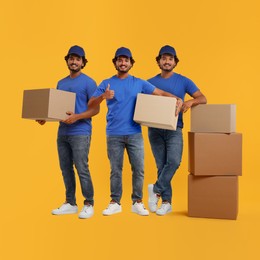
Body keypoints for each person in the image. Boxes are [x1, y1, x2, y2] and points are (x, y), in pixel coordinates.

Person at [88, 47, 183, 216]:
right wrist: (103, 97)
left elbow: (159, 93)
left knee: (138, 169)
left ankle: (137, 202)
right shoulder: (106, 83)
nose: (123, 63)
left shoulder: (139, 83)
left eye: (126, 60)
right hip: (113, 133)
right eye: (120, 60)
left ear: (131, 63)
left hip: (134, 133)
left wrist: (176, 99)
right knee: (116, 169)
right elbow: (90, 105)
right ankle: (115, 202)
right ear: (115, 62)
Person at [37, 45, 99, 219]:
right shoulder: (61, 83)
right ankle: (70, 203)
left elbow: (96, 110)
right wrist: (45, 118)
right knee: (65, 168)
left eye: (77, 59)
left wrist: (77, 117)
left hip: (81, 131)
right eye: (71, 58)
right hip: (63, 132)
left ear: (82, 62)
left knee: (82, 167)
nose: (74, 61)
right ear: (67, 61)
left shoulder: (89, 82)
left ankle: (89, 203)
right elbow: (58, 108)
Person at [147, 45, 207, 216]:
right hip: (154, 129)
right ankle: (166, 202)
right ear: (158, 61)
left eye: (170, 59)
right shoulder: (149, 82)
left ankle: (156, 189)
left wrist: (189, 102)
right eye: (164, 58)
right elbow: (140, 100)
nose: (167, 61)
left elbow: (203, 98)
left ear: (175, 62)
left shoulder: (184, 81)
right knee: (161, 165)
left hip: (175, 128)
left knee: (173, 162)